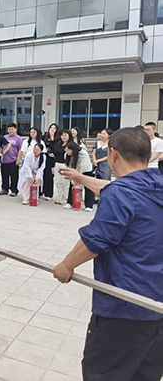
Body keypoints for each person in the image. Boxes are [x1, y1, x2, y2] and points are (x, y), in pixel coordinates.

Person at [53, 127, 163, 381]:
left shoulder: (120, 194)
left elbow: (97, 239)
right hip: (157, 308)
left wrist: (66, 266)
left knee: (104, 374)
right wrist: (81, 178)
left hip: (125, 308)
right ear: (148, 155)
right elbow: (117, 189)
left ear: (113, 154)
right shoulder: (155, 184)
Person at [64, 141, 95, 211]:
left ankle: (89, 205)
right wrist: (72, 178)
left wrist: (77, 179)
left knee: (88, 187)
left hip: (86, 170)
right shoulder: (67, 154)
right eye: (66, 150)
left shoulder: (83, 154)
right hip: (75, 170)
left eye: (68, 150)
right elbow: (68, 167)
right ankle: (70, 202)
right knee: (72, 185)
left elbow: (81, 168)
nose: (67, 152)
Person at [0, 123, 22, 196]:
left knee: (14, 177)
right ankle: (4, 189)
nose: (11, 130)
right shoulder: (4, 137)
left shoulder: (18, 138)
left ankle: (14, 190)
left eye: (12, 129)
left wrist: (18, 159)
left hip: (13, 160)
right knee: (4, 176)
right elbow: (1, 147)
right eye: (9, 129)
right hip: (4, 160)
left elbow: (20, 150)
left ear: (15, 129)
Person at [41, 123, 59, 201]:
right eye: (51, 128)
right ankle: (41, 191)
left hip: (53, 160)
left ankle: (49, 194)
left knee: (49, 177)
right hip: (44, 159)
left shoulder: (58, 139)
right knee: (42, 176)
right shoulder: (44, 137)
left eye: (54, 128)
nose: (52, 130)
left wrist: (54, 154)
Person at [53, 130, 71, 205]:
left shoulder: (70, 145)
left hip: (65, 165)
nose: (63, 137)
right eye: (62, 135)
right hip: (57, 164)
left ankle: (65, 198)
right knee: (58, 181)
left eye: (65, 135)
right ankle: (60, 196)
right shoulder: (58, 144)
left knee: (65, 182)